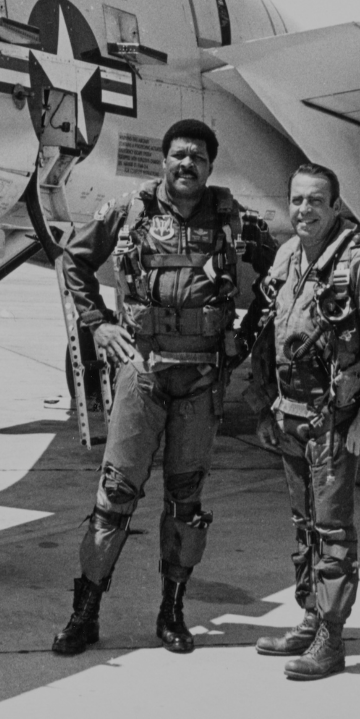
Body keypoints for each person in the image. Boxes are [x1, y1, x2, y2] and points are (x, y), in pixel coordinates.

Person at [51, 119, 276, 656]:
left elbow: (279, 278)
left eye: (197, 157)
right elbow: (74, 260)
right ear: (163, 160)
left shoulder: (235, 221)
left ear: (210, 166)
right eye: (178, 155)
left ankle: (172, 613)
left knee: (185, 502)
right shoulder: (129, 211)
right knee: (115, 497)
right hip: (143, 373)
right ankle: (85, 613)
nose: (186, 164)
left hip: (201, 381)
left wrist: (243, 339)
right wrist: (99, 324)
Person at [245, 163, 360, 680]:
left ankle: (331, 642)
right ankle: (311, 618)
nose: (304, 210)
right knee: (303, 528)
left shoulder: (358, 260)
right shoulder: (289, 255)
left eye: (316, 201)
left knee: (333, 531)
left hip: (335, 420)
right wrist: (266, 405)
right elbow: (270, 332)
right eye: (296, 200)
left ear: (335, 206)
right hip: (291, 416)